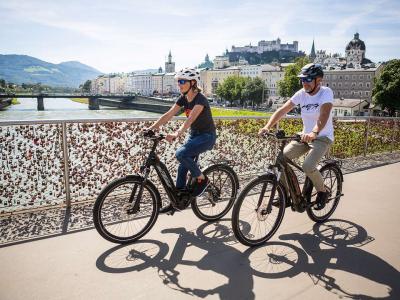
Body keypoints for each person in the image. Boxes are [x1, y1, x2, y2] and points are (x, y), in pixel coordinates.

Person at [259, 63, 334, 209]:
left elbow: (324, 114)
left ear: (318, 80)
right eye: (303, 80)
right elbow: (282, 110)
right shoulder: (301, 94)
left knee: (308, 166)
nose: (304, 83)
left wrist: (315, 132)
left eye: (308, 80)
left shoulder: (326, 92)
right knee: (281, 160)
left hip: (322, 136)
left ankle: (322, 192)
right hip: (304, 136)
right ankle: (286, 195)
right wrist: (267, 127)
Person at [147, 67, 217, 213]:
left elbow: (190, 120)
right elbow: (169, 114)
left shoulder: (200, 99)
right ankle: (177, 201)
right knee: (182, 167)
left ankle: (202, 179)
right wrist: (152, 128)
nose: (179, 84)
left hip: (206, 136)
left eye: (182, 81)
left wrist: (177, 133)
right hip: (194, 135)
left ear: (192, 83)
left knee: (180, 154)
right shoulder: (183, 98)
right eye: (178, 81)